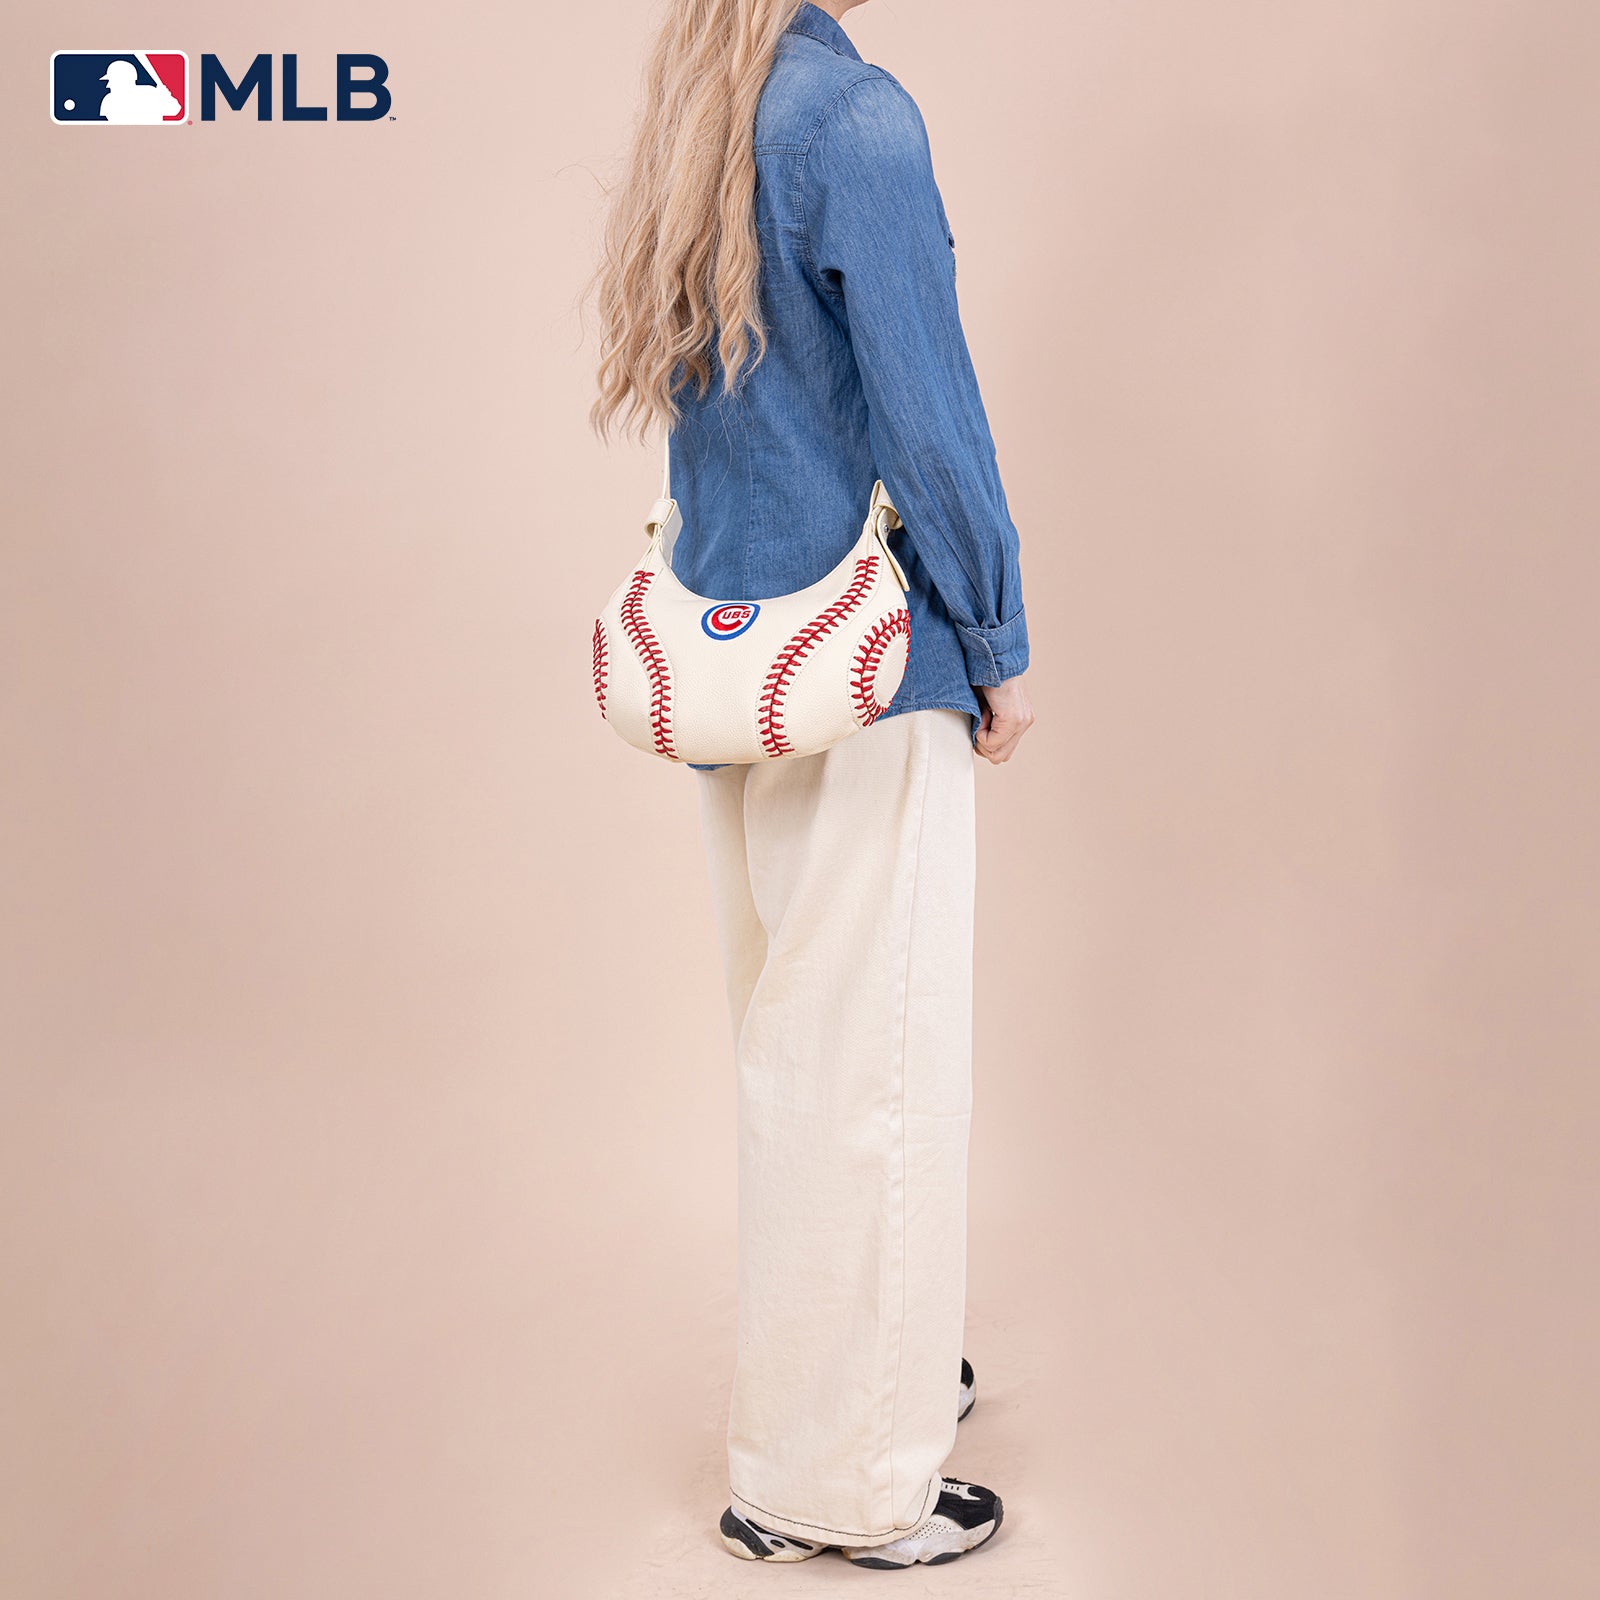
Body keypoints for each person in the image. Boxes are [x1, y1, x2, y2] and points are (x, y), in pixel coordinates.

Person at [589, 0, 1032, 1569]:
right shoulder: (853, 118)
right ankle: (835, 1486)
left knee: (802, 1056)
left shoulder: (701, 111)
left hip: (737, 663)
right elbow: (930, 406)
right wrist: (994, 632)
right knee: (877, 1069)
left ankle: (857, 1385)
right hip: (864, 661)